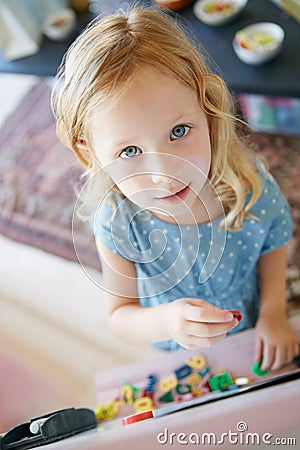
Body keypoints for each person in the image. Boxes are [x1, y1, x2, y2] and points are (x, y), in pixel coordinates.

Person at [52, 6, 298, 370]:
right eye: (130, 151)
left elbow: (274, 244)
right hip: (184, 355)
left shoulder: (248, 183)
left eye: (179, 132)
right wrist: (167, 322)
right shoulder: (118, 222)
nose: (164, 174)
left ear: (208, 108)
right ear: (93, 153)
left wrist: (273, 312)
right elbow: (120, 316)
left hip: (256, 325)